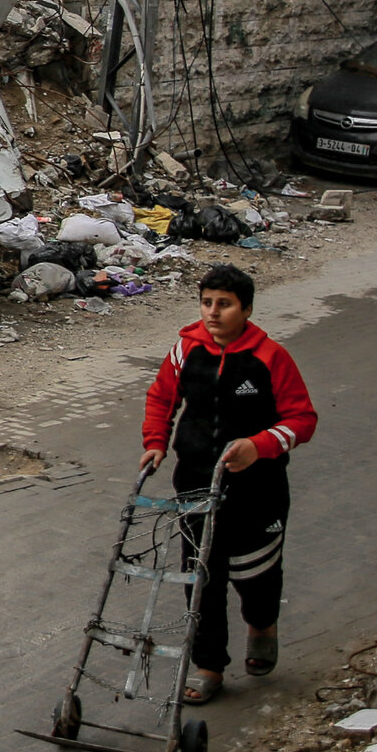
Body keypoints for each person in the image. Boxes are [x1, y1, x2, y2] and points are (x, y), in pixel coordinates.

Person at [140, 264, 318, 704]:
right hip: (196, 482)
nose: (213, 313)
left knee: (255, 572)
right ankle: (208, 666)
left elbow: (302, 419)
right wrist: (156, 442)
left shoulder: (270, 357)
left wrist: (259, 446)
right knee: (201, 576)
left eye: (224, 304)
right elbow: (163, 397)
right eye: (207, 303)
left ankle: (261, 626)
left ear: (247, 309)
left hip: (257, 488)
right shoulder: (185, 350)